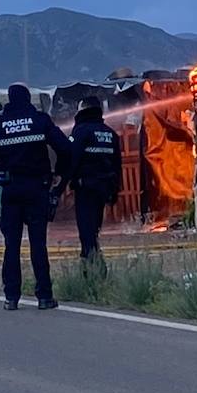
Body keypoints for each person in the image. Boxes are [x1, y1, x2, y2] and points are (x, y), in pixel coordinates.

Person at [0, 83, 72, 311]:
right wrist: (59, 177)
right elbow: (66, 150)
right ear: (28, 99)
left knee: (12, 245)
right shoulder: (40, 121)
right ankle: (45, 297)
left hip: (10, 191)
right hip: (37, 188)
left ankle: (11, 297)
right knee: (38, 244)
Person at [67, 95, 121, 271]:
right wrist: (115, 191)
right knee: (94, 228)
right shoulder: (110, 133)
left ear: (83, 109)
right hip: (104, 188)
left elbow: (71, 160)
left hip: (86, 188)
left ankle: (93, 268)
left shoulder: (81, 132)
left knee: (86, 230)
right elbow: (117, 164)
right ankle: (93, 264)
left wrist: (63, 184)